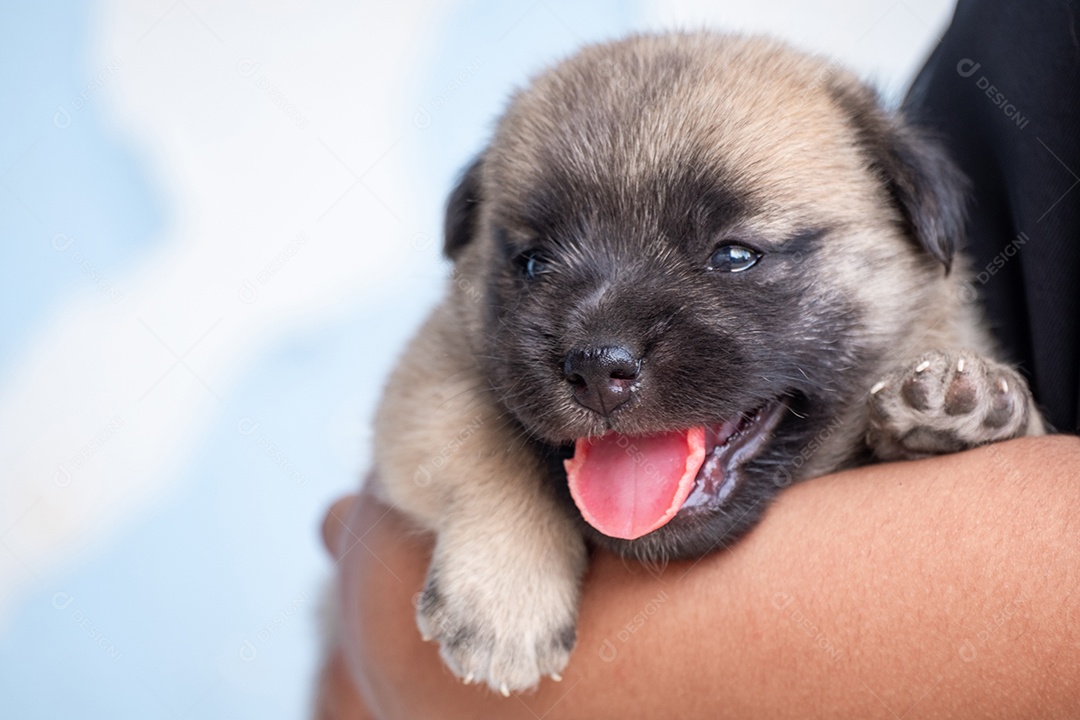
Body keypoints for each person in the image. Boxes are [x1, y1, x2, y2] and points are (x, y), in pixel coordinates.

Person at [315, 1, 1080, 716]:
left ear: (915, 218)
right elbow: (433, 383)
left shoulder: (927, 327)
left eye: (736, 255)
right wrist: (500, 505)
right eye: (537, 265)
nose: (598, 345)